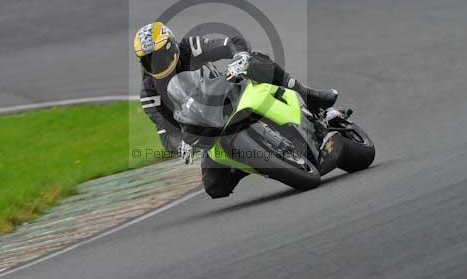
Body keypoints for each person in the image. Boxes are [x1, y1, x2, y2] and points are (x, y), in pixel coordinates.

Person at [134, 22, 338, 198]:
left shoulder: (189, 48)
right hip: (205, 126)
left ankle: (310, 95)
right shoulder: (149, 91)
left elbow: (229, 42)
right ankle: (253, 161)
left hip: (227, 92)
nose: (155, 63)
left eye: (159, 55)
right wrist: (180, 146)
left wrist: (238, 56)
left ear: (171, 47)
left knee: (255, 60)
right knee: (215, 187)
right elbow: (164, 129)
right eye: (147, 60)